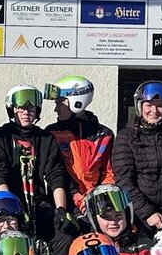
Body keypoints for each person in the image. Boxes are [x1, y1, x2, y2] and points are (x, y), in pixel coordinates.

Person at [0, 85, 74, 242]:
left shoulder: (45, 138)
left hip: (39, 204)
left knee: (65, 237)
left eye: (31, 108)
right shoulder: (1, 136)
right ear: (12, 109)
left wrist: (61, 210)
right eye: (21, 108)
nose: (26, 113)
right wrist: (10, 208)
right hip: (12, 204)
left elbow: (55, 174)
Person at [111, 81, 162, 231]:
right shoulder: (126, 136)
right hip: (140, 214)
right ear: (140, 106)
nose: (154, 110)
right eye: (148, 105)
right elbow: (123, 180)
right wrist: (147, 212)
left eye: (160, 105)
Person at [44, 76, 115, 214]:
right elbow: (56, 172)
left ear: (77, 102)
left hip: (97, 204)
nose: (56, 109)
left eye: (60, 103)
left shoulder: (104, 135)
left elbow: (109, 174)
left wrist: (104, 200)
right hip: (64, 203)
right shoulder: (52, 133)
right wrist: (77, 197)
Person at [78, 184, 155, 255]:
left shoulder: (145, 246)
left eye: (118, 215)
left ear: (128, 215)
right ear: (94, 219)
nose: (113, 222)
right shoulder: (85, 249)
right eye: (106, 217)